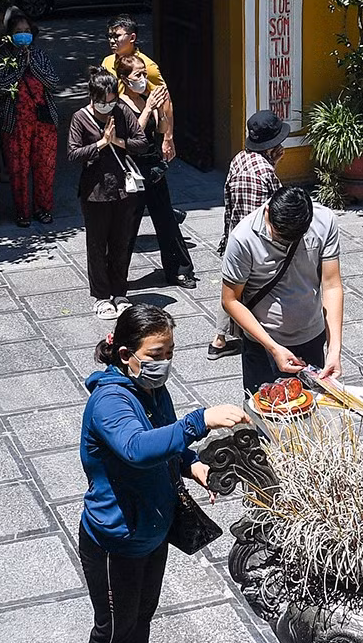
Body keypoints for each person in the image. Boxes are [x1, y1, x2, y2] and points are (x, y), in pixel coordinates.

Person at [79, 304, 248, 643]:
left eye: (170, 350)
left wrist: (194, 466)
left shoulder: (155, 390)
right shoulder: (110, 401)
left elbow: (167, 442)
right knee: (113, 627)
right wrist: (199, 422)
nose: (164, 361)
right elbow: (136, 448)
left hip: (152, 531)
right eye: (156, 352)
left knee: (141, 619)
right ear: (123, 352)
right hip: (115, 539)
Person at [220, 184, 344, 391]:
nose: (285, 242)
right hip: (264, 343)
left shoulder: (325, 220)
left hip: (311, 334)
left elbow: (331, 285)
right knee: (266, 412)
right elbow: (230, 300)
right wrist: (273, 348)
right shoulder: (243, 238)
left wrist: (334, 350)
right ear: (267, 211)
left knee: (313, 409)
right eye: (280, 235)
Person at [207, 110, 288, 361]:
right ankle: (256, 336)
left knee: (231, 288)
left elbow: (232, 202)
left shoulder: (239, 159)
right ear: (272, 146)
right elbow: (273, 209)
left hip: (235, 236)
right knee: (248, 291)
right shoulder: (264, 172)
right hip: (257, 243)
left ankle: (219, 339)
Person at [68, 69, 150, 320]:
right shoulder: (80, 118)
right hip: (95, 191)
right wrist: (101, 144)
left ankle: (120, 292)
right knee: (97, 244)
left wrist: (118, 142)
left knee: (121, 243)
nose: (107, 105)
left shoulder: (123, 112)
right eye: (103, 101)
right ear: (92, 97)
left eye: (112, 100)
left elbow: (142, 142)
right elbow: (72, 153)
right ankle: (102, 296)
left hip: (124, 189)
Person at [115, 54, 195, 289]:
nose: (143, 78)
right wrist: (148, 109)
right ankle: (116, 277)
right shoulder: (120, 105)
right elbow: (133, 136)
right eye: (137, 74)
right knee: (128, 224)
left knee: (166, 219)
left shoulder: (147, 97)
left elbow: (159, 129)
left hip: (152, 165)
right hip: (131, 168)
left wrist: (160, 112)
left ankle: (179, 269)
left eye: (144, 73)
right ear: (124, 79)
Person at [0, 8, 61, 227]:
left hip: (43, 120)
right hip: (15, 123)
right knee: (18, 169)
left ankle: (44, 209)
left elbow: (53, 82)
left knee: (44, 168)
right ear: (11, 34)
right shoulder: (2, 56)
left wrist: (31, 63)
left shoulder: (38, 54)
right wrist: (20, 63)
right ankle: (23, 213)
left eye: (27, 30)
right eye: (19, 31)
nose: (24, 34)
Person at [102, 15, 174, 164]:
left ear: (132, 37)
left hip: (138, 132)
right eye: (109, 36)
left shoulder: (147, 67)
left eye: (117, 36)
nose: (112, 40)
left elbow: (165, 101)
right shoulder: (107, 62)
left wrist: (168, 138)